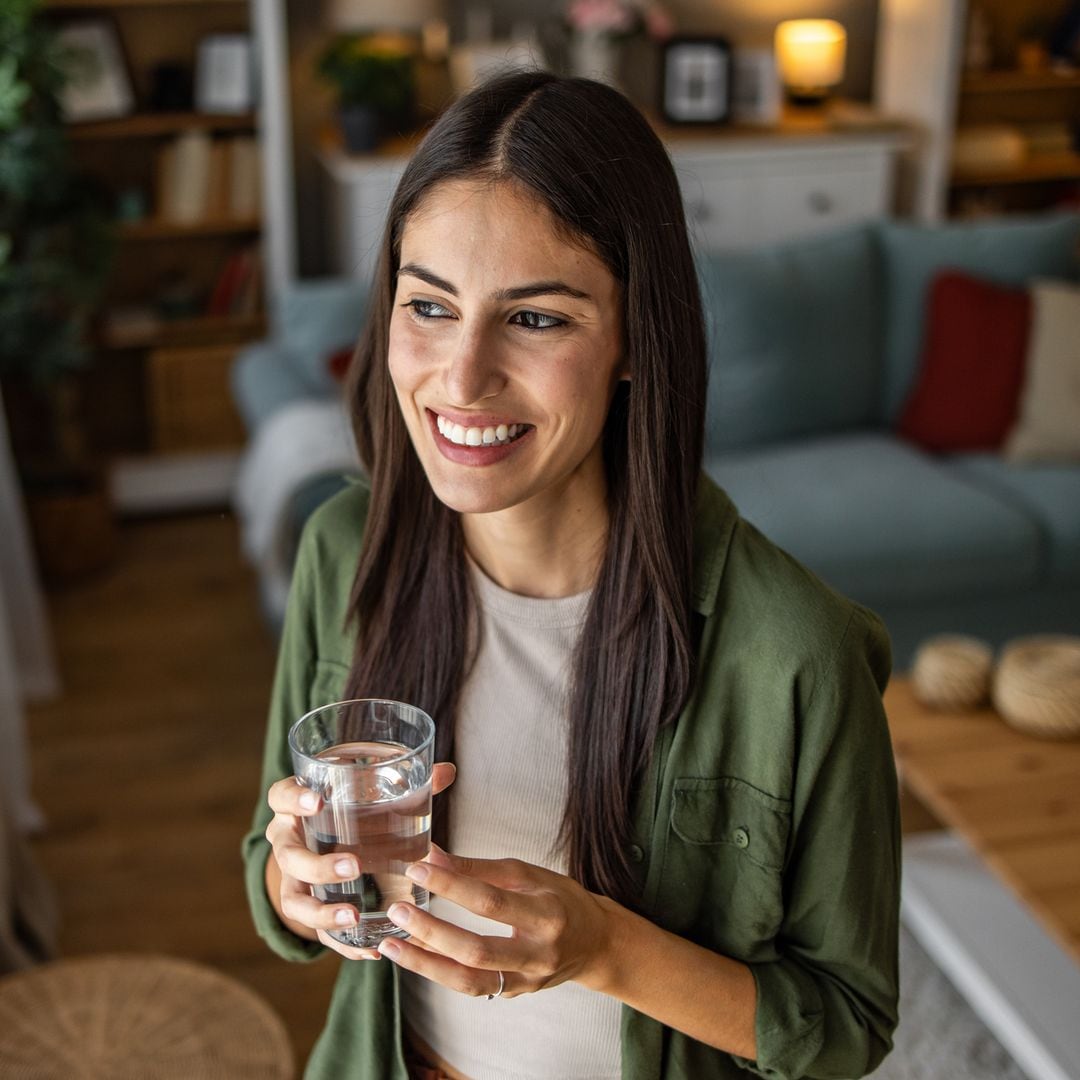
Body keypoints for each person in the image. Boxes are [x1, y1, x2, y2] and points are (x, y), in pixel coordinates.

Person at [243, 69, 900, 1080]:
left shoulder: (796, 655)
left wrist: (604, 946)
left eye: (537, 319)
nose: (461, 380)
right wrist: (294, 886)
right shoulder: (344, 550)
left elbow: (843, 1026)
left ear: (637, 335)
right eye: (429, 306)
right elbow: (270, 862)